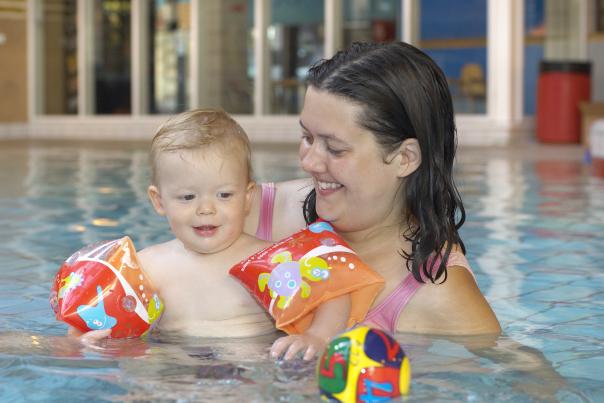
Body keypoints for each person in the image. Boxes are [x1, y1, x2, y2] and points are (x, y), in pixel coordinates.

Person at [248, 42, 501, 357]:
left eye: (335, 148)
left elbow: (517, 376)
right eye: (307, 138)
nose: (309, 162)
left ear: (404, 158)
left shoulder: (436, 293)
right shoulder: (257, 212)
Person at [70, 108, 349, 360]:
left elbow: (334, 293)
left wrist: (318, 336)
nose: (206, 209)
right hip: (173, 376)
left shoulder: (269, 258)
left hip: (248, 380)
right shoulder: (147, 268)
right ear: (159, 201)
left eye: (224, 194)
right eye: (188, 196)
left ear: (248, 196)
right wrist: (86, 342)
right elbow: (92, 319)